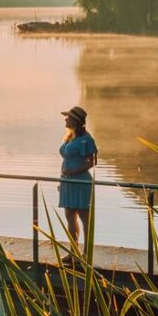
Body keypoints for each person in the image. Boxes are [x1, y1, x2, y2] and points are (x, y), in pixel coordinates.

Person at [58, 104, 96, 248]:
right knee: (69, 216)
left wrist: (75, 172)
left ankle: (87, 252)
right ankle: (73, 252)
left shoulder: (87, 139)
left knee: (84, 217)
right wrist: (62, 181)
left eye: (67, 117)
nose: (65, 120)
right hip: (67, 182)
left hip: (81, 182)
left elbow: (92, 161)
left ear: (75, 120)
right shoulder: (70, 136)